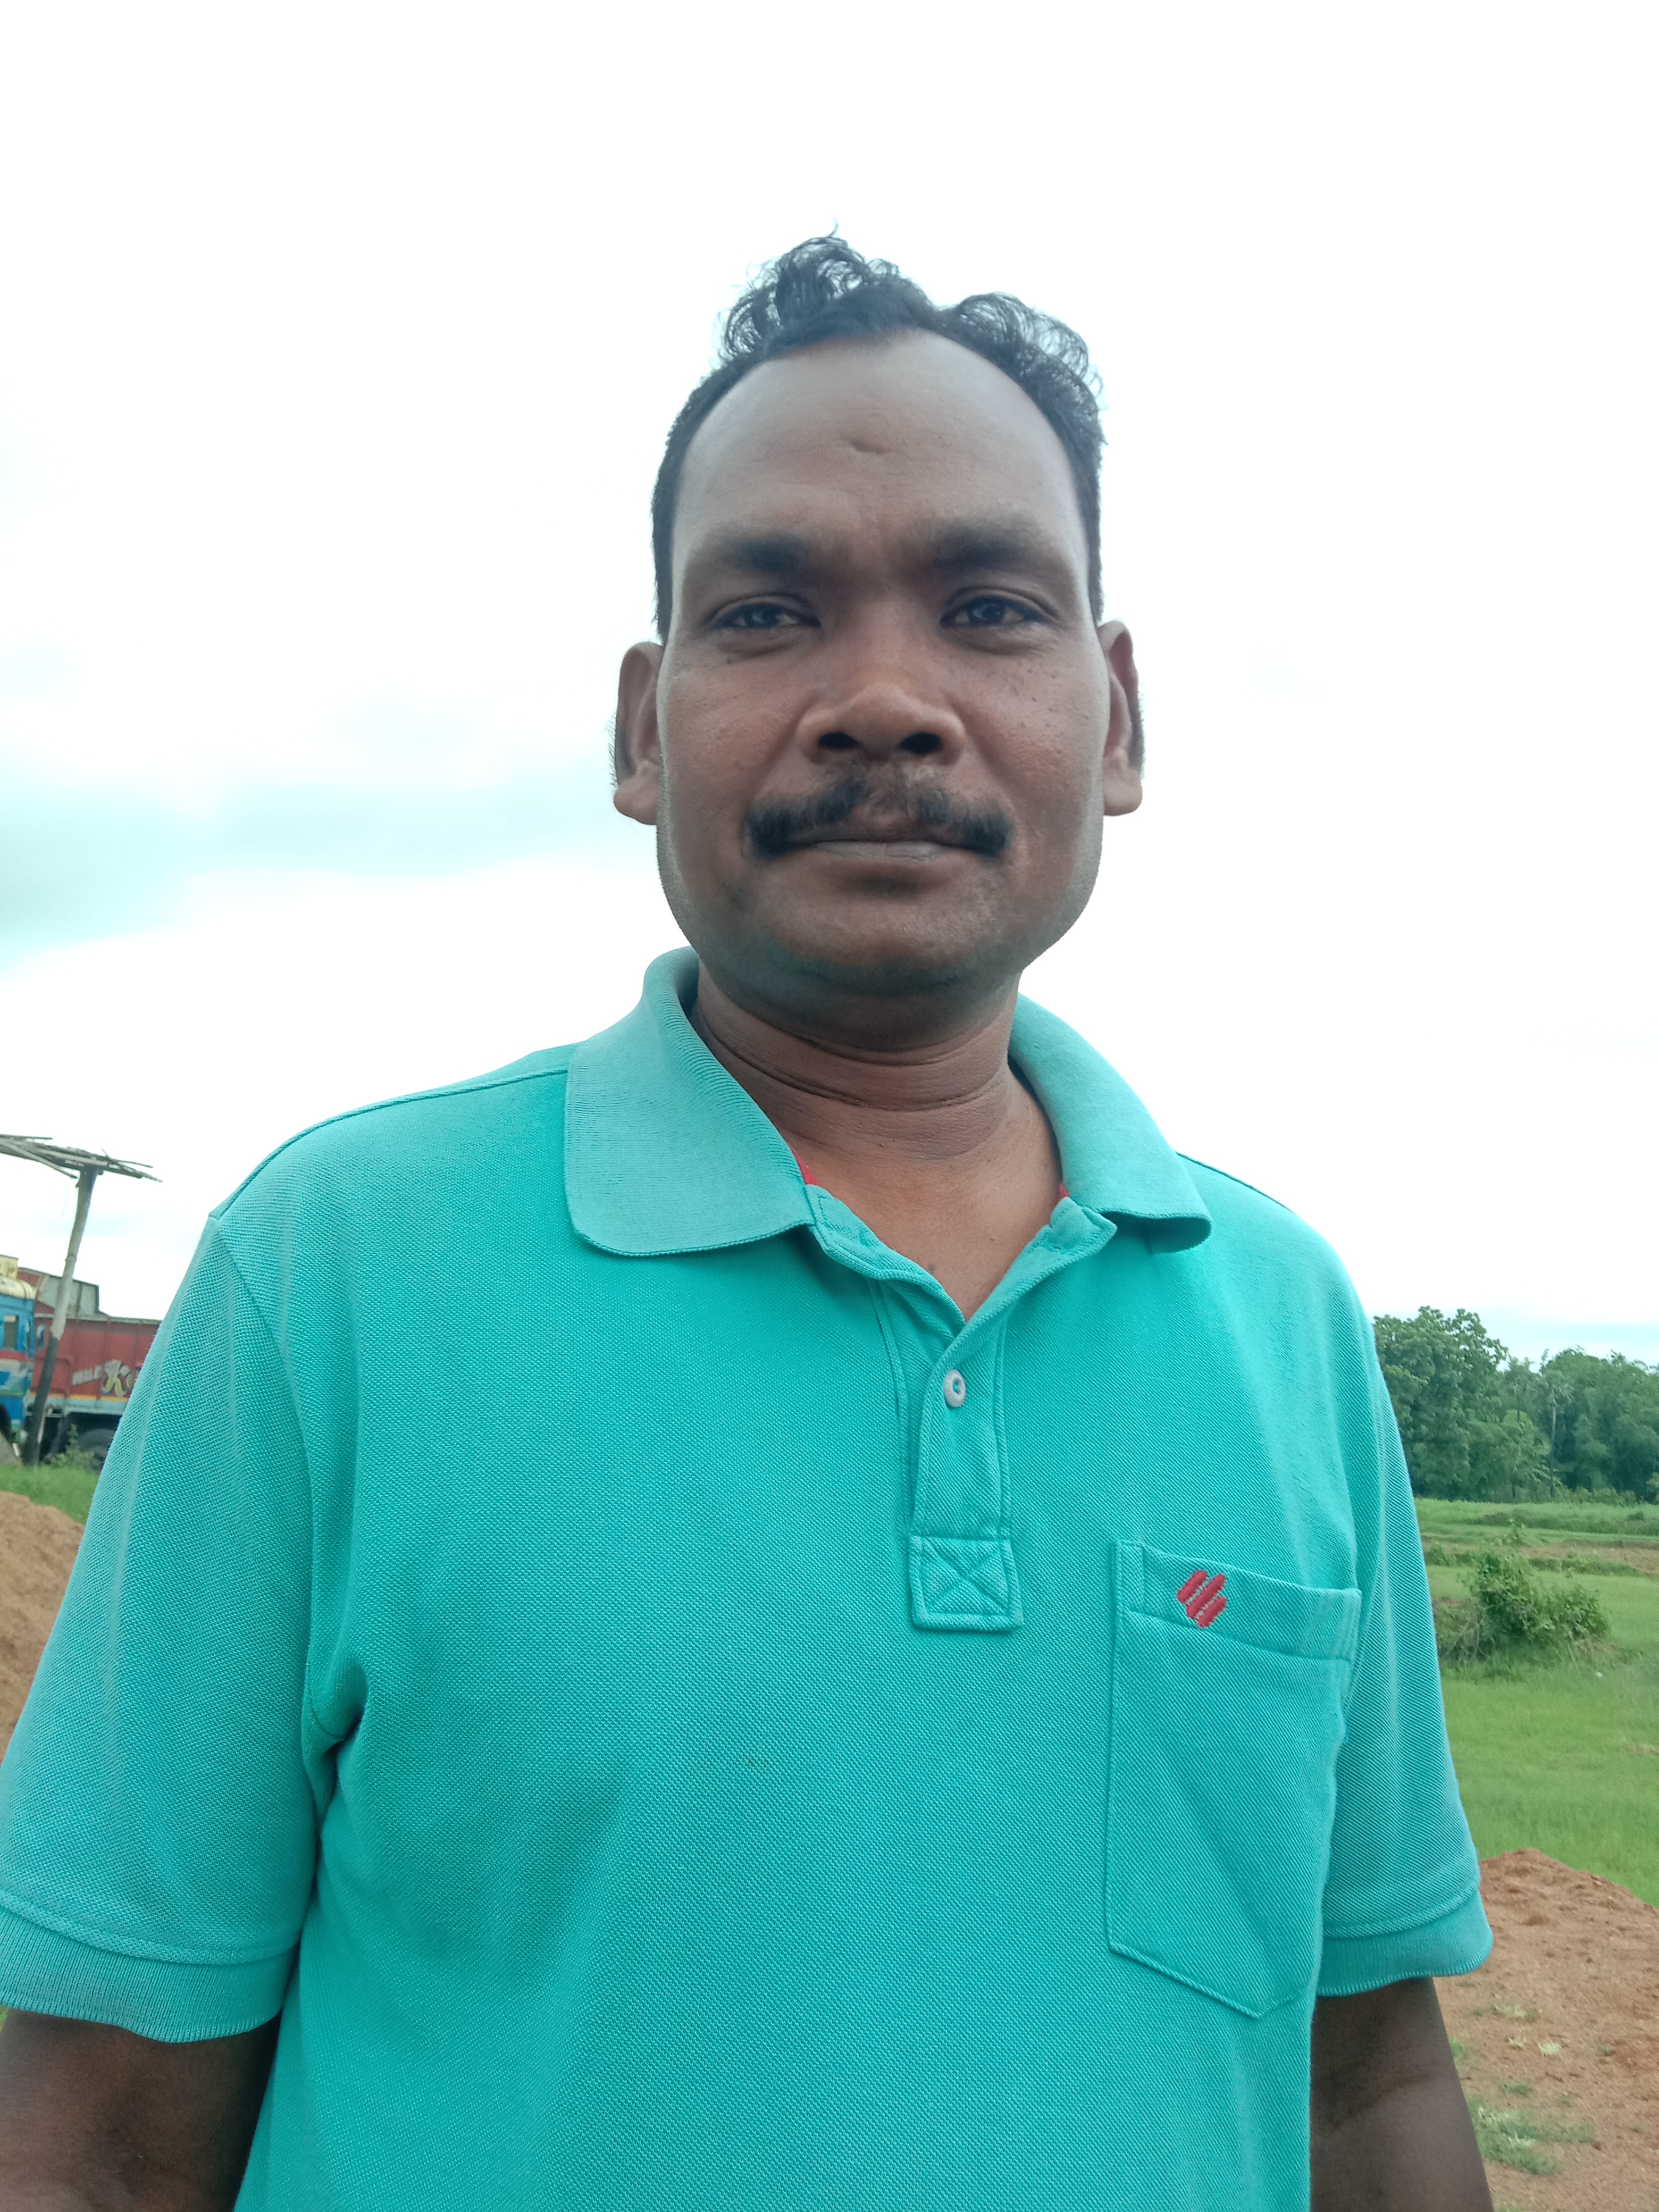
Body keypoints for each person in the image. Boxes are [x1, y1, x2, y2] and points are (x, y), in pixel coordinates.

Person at [0, 240, 1494, 2211]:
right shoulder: (332, 1279)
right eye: (769, 611)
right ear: (644, 730)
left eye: (991, 608)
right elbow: (100, 2140)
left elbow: (1366, 2083)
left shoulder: (1281, 1319)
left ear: (1118, 718)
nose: (884, 702)